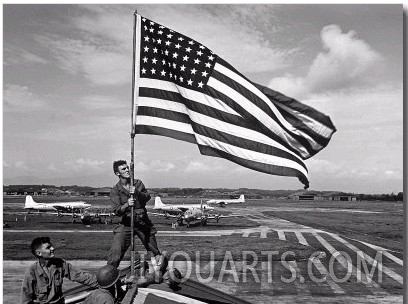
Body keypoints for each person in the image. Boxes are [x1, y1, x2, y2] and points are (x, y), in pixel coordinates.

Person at [107, 160, 164, 268]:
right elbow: (116, 211)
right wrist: (127, 205)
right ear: (117, 173)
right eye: (123, 169)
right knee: (115, 252)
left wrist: (137, 193)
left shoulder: (138, 183)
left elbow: (147, 197)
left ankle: (161, 273)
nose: (127, 170)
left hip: (142, 222)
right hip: (126, 223)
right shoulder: (115, 190)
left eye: (127, 167)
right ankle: (108, 277)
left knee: (154, 251)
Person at [20, 236, 98, 304]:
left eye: (51, 246)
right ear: (39, 253)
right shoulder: (31, 271)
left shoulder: (60, 264)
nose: (52, 248)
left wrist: (102, 283)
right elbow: (26, 298)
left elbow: (80, 276)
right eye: (48, 247)